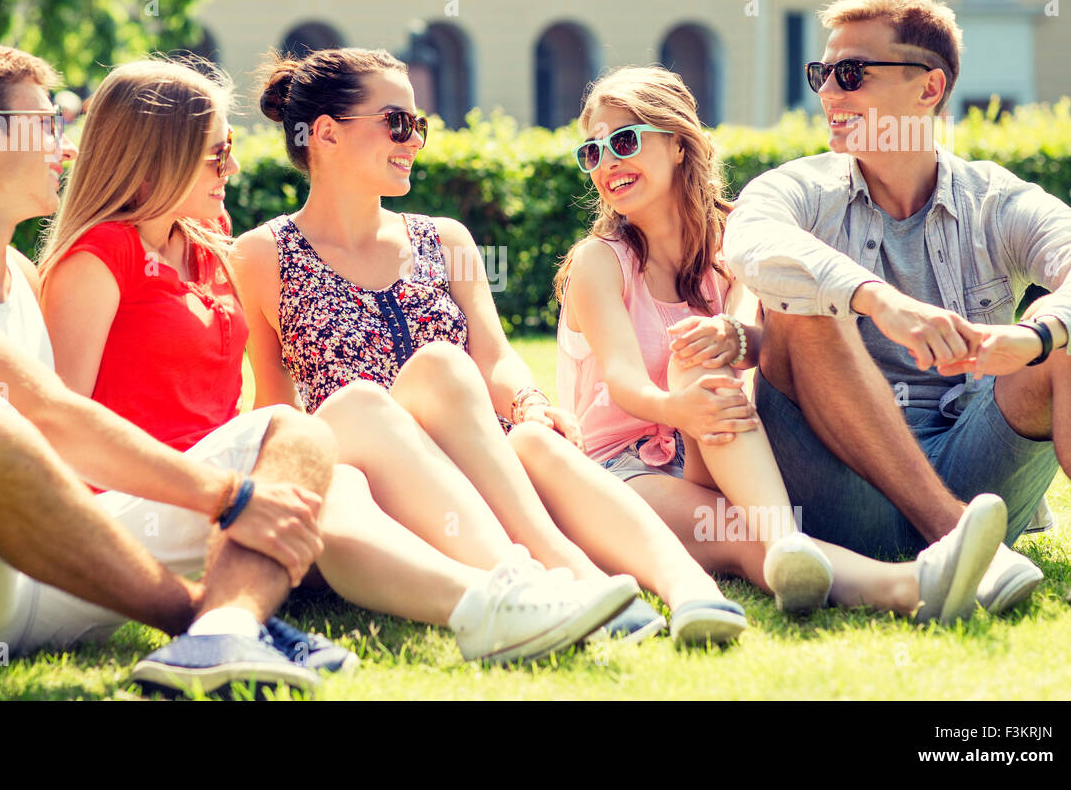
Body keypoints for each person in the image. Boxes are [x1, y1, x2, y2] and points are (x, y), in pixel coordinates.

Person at [37, 57, 637, 667]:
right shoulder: (98, 260)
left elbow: (250, 405)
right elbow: (62, 433)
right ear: (156, 154)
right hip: (165, 500)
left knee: (340, 477)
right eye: (217, 154)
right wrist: (222, 490)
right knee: (355, 409)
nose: (235, 168)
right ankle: (515, 584)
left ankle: (504, 594)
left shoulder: (206, 249)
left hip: (232, 487)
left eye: (232, 149)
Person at [0, 42, 351, 699]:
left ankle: (226, 630)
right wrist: (229, 497)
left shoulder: (21, 275)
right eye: (47, 124)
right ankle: (195, 622)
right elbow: (47, 418)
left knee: (291, 437)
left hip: (24, 583)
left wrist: (240, 481)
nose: (64, 148)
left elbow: (63, 461)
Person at [233, 47, 749, 646]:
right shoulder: (261, 254)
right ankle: (566, 572)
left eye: (418, 126)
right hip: (373, 476)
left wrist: (530, 403)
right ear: (325, 133)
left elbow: (497, 358)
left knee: (529, 434)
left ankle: (691, 592)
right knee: (439, 368)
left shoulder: (444, 238)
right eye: (398, 123)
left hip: (476, 462)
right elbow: (274, 405)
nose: (414, 141)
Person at [555, 64, 1010, 622]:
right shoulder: (598, 261)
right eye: (592, 152)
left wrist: (704, 389)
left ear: (677, 144)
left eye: (623, 141)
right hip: (624, 469)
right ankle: (908, 582)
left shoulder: (737, 238)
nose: (607, 163)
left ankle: (789, 540)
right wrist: (679, 411)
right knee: (742, 539)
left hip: (724, 448)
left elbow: (748, 337)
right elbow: (623, 380)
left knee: (701, 348)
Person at [723, 0, 1071, 610]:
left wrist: (1035, 338)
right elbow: (751, 242)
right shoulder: (797, 189)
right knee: (803, 309)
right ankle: (953, 537)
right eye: (822, 73)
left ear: (928, 87)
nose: (828, 93)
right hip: (845, 486)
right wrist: (876, 298)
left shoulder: (995, 200)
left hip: (979, 469)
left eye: (851, 73)